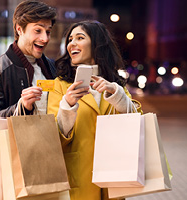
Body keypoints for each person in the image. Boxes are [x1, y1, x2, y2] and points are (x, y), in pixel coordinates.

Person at [47, 21, 143, 200]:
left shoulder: (115, 85)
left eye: (80, 38)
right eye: (70, 39)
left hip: (113, 179)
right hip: (78, 179)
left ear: (97, 44)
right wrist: (67, 104)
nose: (71, 44)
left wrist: (117, 95)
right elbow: (53, 137)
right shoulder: (60, 85)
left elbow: (137, 124)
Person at [0, 0, 57, 136]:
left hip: (51, 150)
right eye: (38, 31)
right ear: (19, 29)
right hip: (15, 153)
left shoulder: (52, 67)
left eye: (48, 32)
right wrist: (21, 108)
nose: (45, 38)